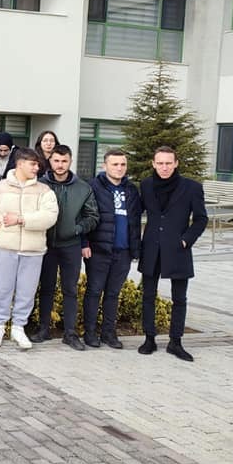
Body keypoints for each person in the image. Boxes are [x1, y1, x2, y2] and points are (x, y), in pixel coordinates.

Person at [0, 148, 58, 350]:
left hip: (33, 250)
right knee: (2, 288)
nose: (37, 168)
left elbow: (50, 216)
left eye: (38, 164)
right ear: (20, 164)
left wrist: (21, 219)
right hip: (6, 247)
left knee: (27, 291)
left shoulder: (44, 191)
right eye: (33, 164)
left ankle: (19, 327)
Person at [138, 146, 207, 362]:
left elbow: (201, 219)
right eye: (160, 163)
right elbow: (137, 212)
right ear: (153, 163)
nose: (164, 167)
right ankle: (149, 338)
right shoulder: (146, 185)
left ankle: (175, 342)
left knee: (179, 298)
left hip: (178, 249)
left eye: (168, 163)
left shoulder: (192, 187)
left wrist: (186, 239)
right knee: (148, 295)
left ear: (176, 163)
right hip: (151, 248)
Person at [32, 145, 99, 350]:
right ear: (50, 161)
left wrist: (77, 229)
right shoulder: (40, 185)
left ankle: (70, 333)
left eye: (64, 161)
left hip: (71, 245)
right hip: (46, 245)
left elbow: (93, 216)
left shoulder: (83, 188)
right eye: (56, 161)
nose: (60, 165)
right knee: (46, 288)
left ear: (70, 161)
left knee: (70, 289)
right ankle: (44, 329)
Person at [83, 149, 142, 349]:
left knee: (113, 294)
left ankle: (109, 333)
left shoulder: (132, 190)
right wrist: (84, 243)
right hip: (98, 250)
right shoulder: (93, 187)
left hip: (123, 252)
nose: (119, 168)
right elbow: (84, 215)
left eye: (123, 164)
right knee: (94, 292)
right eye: (115, 164)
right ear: (105, 165)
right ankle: (90, 333)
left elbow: (135, 221)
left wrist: (135, 249)